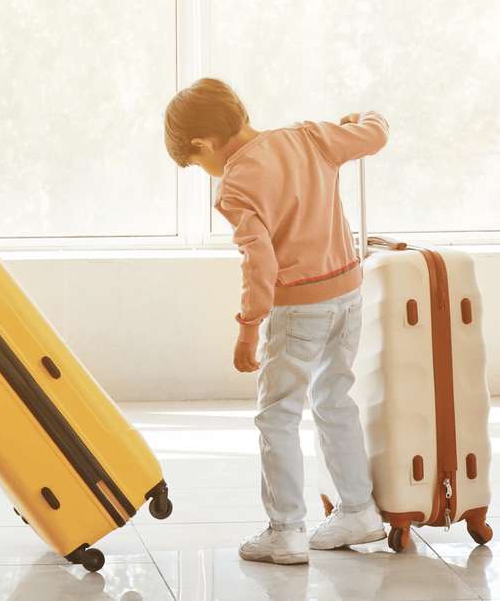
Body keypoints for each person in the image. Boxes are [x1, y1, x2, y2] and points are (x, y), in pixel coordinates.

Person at [165, 78, 389, 564]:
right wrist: (364, 116)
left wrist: (248, 327)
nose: (206, 173)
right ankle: (358, 510)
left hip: (298, 309)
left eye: (197, 164)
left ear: (202, 144)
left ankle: (286, 530)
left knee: (278, 414)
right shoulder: (310, 137)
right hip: (348, 294)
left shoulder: (235, 186)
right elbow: (375, 136)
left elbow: (260, 264)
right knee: (334, 398)